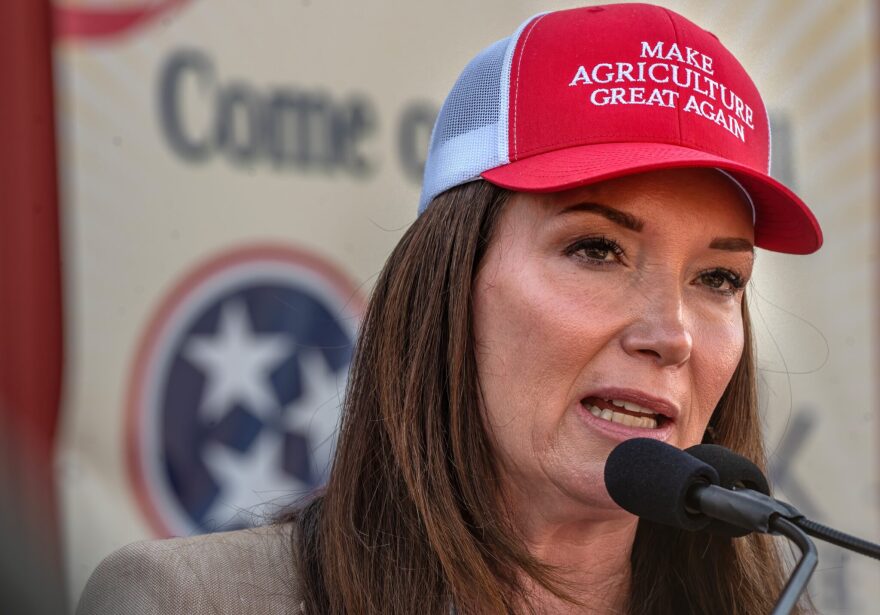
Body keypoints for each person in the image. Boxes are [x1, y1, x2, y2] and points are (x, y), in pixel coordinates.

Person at [76, 3, 822, 614]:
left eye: (718, 279)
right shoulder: (187, 600)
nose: (672, 335)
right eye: (597, 249)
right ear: (447, 284)